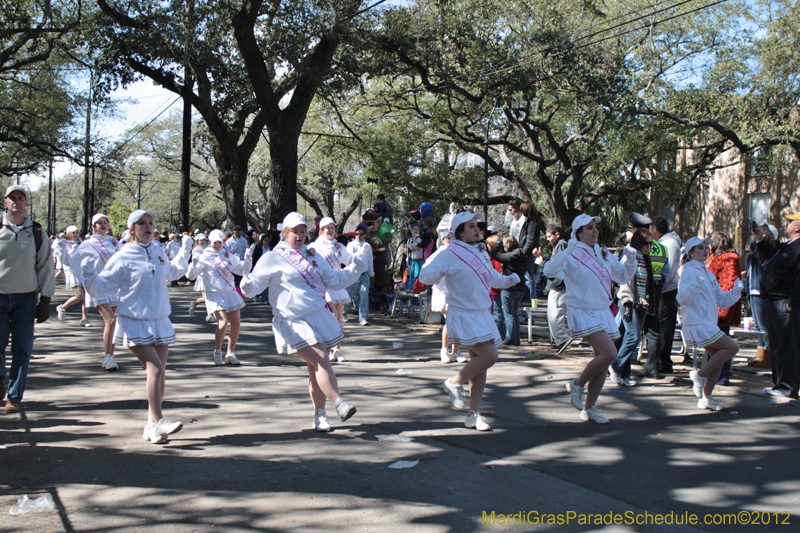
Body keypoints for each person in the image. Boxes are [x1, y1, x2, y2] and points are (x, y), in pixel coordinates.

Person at [240, 212, 368, 432]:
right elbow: (255, 286)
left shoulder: (312, 255)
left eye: (302, 231)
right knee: (320, 358)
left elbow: (335, 280)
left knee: (316, 366)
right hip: (292, 320)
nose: (299, 236)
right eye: (294, 232)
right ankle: (339, 403)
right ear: (285, 233)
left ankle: (320, 415)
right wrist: (245, 282)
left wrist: (356, 267)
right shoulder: (273, 257)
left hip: (317, 315)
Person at [81, 209, 193, 443]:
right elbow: (104, 287)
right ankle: (160, 420)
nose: (148, 227)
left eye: (150, 223)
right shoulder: (124, 255)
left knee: (160, 375)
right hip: (134, 321)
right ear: (132, 229)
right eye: (141, 223)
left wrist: (185, 250)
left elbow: (173, 272)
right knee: (155, 370)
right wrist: (89, 273)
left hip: (160, 320)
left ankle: (152, 426)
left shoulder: (158, 250)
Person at [419, 212, 521, 431]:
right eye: (472, 226)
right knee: (490, 355)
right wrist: (441, 269)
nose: (477, 229)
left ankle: (474, 415)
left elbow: (490, 278)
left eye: (477, 226)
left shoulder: (481, 250)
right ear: (460, 232)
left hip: (481, 312)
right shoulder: (449, 252)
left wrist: (510, 280)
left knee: (480, 367)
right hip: (463, 313)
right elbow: (424, 276)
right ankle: (453, 382)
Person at [543, 215, 637, 424]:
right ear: (577, 233)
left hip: (603, 310)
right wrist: (567, 250)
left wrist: (630, 260)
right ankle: (577, 384)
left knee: (601, 362)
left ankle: (589, 408)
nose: (594, 231)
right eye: (588, 228)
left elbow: (621, 277)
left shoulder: (603, 253)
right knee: (610, 353)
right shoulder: (571, 253)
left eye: (595, 228)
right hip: (583, 310)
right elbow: (548, 271)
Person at [0, 185, 55, 414]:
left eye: (21, 198)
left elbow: (46, 267)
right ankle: (1, 379)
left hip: (25, 299)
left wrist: (46, 299)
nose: (17, 201)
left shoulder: (37, 231)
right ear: (5, 202)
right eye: (12, 198)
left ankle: (13, 397)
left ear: (26, 203)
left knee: (22, 350)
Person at [678, 237, 744, 410]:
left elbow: (722, 301)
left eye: (706, 247)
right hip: (697, 323)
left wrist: (736, 290)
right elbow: (682, 298)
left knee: (718, 358)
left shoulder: (707, 272)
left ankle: (706, 397)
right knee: (732, 348)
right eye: (700, 248)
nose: (705, 250)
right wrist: (695, 287)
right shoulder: (688, 271)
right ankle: (700, 375)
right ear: (691, 252)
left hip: (707, 323)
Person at [58, 213, 121, 370]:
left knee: (113, 323)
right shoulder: (88, 244)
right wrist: (62, 251)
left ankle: (110, 356)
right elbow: (72, 261)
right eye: (99, 223)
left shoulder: (113, 242)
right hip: (97, 286)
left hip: (113, 286)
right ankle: (108, 356)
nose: (103, 225)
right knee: (111, 320)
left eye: (105, 222)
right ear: (94, 226)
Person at [753, 212, 800, 399]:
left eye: (789, 221)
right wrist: (759, 240)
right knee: (777, 345)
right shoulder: (786, 246)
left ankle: (788, 387)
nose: (786, 223)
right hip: (772, 301)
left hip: (784, 303)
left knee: (787, 346)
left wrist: (791, 302)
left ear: (797, 226)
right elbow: (766, 259)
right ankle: (779, 384)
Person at [187, 230, 251, 365]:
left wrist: (248, 260)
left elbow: (241, 269)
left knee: (236, 324)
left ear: (223, 242)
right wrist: (193, 264)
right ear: (210, 242)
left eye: (219, 242)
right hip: (214, 294)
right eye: (214, 242)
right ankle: (217, 351)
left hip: (229, 292)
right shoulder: (205, 256)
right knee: (222, 324)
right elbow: (191, 276)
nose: (217, 245)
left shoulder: (227, 254)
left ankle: (230, 353)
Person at [625, 213, 670, 379]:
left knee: (629, 330)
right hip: (655, 290)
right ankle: (653, 367)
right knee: (652, 330)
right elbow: (667, 271)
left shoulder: (633, 246)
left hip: (636, 291)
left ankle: (623, 364)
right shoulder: (661, 247)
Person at [610, 229, 656, 387]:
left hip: (642, 304)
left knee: (629, 340)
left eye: (651, 243)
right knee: (633, 337)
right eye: (646, 243)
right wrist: (628, 304)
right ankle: (615, 366)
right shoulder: (630, 258)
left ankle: (625, 374)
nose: (649, 246)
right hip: (628, 303)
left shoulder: (645, 259)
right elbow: (625, 283)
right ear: (637, 243)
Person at [309, 217, 353, 362]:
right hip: (323, 285)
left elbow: (348, 260)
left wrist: (358, 259)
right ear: (321, 229)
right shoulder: (315, 246)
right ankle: (327, 347)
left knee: (339, 318)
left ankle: (337, 350)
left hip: (337, 283)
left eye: (332, 227)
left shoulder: (339, 245)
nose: (330, 230)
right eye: (327, 228)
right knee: (332, 316)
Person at [706, 232, 742, 386]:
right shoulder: (714, 257)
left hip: (720, 308)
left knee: (722, 344)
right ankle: (712, 374)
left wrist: (722, 308)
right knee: (713, 344)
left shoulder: (729, 258)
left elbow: (728, 284)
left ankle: (721, 376)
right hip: (711, 306)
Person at [649, 216, 682, 374]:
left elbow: (666, 270)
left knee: (664, 327)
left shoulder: (668, 244)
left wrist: (658, 289)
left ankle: (664, 362)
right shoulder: (667, 242)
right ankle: (661, 360)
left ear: (654, 229)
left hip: (666, 290)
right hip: (664, 289)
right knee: (662, 326)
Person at [428, 221, 464, 363]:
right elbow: (428, 270)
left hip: (456, 291)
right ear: (442, 240)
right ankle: (444, 350)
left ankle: (456, 351)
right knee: (451, 320)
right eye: (448, 238)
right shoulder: (439, 254)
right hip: (443, 292)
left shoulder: (458, 254)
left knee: (458, 321)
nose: (451, 240)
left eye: (453, 238)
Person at [746, 224, 778, 368]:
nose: (753, 236)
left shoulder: (767, 250)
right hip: (753, 291)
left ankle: (768, 355)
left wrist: (758, 237)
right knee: (758, 326)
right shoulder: (754, 254)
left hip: (760, 291)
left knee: (764, 325)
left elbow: (753, 243)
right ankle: (761, 354)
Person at [488, 235, 528, 345]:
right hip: (521, 288)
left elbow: (494, 254)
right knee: (515, 314)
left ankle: (510, 339)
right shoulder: (521, 254)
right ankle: (516, 339)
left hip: (509, 288)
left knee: (509, 314)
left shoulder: (510, 256)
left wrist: (498, 241)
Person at [54, 225, 91, 327]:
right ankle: (62, 307)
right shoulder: (63, 243)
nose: (75, 235)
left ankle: (84, 318)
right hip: (72, 271)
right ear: (68, 233)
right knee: (79, 296)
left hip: (82, 271)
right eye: (73, 233)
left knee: (86, 297)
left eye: (76, 233)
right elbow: (63, 257)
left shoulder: (80, 243)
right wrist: (67, 249)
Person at [543, 225, 569, 349]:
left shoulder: (562, 245)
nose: (547, 239)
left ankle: (563, 339)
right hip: (556, 285)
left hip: (559, 286)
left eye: (549, 236)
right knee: (553, 314)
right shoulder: (558, 247)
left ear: (557, 234)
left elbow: (559, 265)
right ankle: (560, 340)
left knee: (555, 314)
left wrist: (543, 263)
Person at [346, 223, 374, 326]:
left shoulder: (368, 246)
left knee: (364, 295)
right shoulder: (351, 245)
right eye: (356, 234)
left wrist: (371, 274)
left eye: (361, 234)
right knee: (349, 295)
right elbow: (348, 260)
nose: (358, 236)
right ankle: (344, 314)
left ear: (365, 235)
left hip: (364, 274)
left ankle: (363, 318)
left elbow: (370, 261)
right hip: (353, 274)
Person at [518, 201, 542, 302]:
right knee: (527, 276)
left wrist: (523, 253)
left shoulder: (532, 223)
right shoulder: (531, 222)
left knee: (528, 277)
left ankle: (530, 301)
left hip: (527, 254)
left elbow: (530, 240)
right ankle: (528, 301)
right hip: (526, 252)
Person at [485, 234, 506, 342]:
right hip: (503, 288)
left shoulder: (493, 259)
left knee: (497, 313)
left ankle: (498, 335)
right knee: (502, 313)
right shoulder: (504, 256)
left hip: (495, 289)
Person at [188, 234, 210, 317]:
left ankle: (209, 314)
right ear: (197, 241)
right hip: (201, 276)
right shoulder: (196, 250)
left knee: (209, 297)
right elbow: (196, 260)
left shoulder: (206, 249)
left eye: (204, 240)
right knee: (205, 298)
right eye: (201, 240)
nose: (203, 241)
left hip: (208, 275)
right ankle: (194, 304)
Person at [249, 233, 271, 304]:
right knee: (260, 282)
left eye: (267, 240)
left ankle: (264, 299)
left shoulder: (271, 248)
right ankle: (256, 294)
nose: (266, 241)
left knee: (267, 283)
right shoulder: (258, 248)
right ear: (262, 241)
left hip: (269, 268)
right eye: (265, 240)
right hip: (260, 268)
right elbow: (255, 258)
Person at [405, 223, 424, 291]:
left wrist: (409, 246)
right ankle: (410, 287)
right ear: (412, 231)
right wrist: (406, 248)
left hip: (419, 259)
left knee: (417, 274)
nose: (416, 231)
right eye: (414, 229)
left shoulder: (420, 239)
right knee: (411, 273)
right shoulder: (410, 239)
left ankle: (416, 287)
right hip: (412, 259)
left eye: (417, 229)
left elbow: (416, 247)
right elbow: (407, 249)